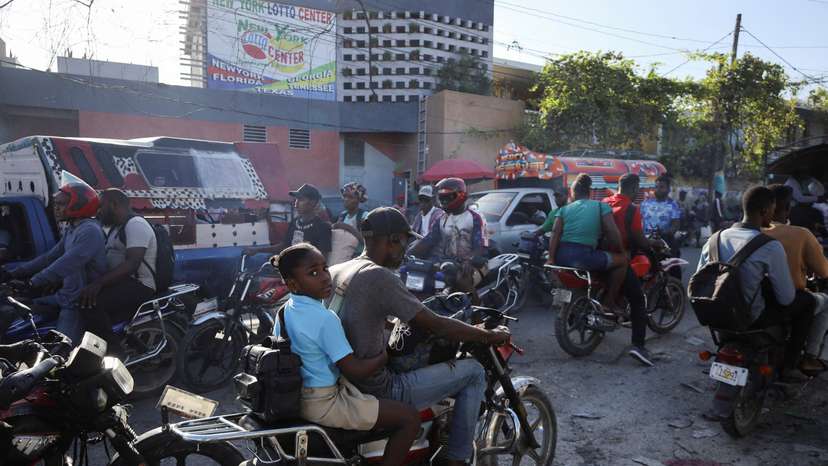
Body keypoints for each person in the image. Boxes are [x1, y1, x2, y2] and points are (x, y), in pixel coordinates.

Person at [329, 207, 510, 466]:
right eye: (405, 242)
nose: (406, 250)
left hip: (345, 379)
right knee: (473, 372)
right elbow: (436, 324)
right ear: (392, 240)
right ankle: (457, 459)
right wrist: (485, 335)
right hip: (379, 388)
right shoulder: (378, 275)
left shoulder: (339, 269)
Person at [272, 243, 419, 466]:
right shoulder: (325, 319)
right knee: (409, 419)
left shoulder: (284, 310)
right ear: (292, 283)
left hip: (297, 396)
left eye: (324, 268)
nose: (324, 277)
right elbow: (356, 370)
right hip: (324, 402)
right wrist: (386, 354)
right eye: (313, 273)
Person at [697, 186, 814, 381]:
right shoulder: (770, 246)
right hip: (750, 318)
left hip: (714, 314)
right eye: (773, 209)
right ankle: (789, 366)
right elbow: (786, 298)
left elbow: (700, 277)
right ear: (764, 211)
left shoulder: (714, 239)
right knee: (807, 302)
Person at [0, 172, 107, 343]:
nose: (55, 208)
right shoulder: (73, 228)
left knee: (60, 350)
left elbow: (66, 263)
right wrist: (14, 273)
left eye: (61, 204)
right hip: (64, 296)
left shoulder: (90, 231)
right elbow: (49, 257)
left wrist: (33, 282)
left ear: (79, 205)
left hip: (76, 302)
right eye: (55, 204)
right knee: (19, 311)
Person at [77, 189, 157, 346]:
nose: (97, 211)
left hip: (140, 285)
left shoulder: (136, 224)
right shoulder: (116, 227)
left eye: (101, 206)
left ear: (114, 205)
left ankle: (113, 353)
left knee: (91, 304)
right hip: (123, 282)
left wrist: (98, 284)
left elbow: (132, 263)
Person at [765, 184, 828, 375]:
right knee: (821, 302)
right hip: (784, 301)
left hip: (752, 300)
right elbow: (824, 271)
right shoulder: (801, 234)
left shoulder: (750, 231)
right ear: (787, 207)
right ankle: (809, 357)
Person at [547, 174, 628, 314]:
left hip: (562, 256)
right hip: (584, 256)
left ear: (572, 193)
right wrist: (621, 251)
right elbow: (612, 232)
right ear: (589, 192)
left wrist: (551, 258)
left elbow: (555, 233)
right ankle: (609, 302)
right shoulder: (600, 206)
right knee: (622, 262)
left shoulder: (564, 210)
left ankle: (565, 304)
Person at [602, 174, 661, 366]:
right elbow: (637, 238)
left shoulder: (604, 202)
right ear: (635, 188)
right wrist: (652, 244)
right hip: (619, 257)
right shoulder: (632, 209)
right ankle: (638, 346)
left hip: (600, 256)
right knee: (638, 299)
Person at [414, 178, 489, 294]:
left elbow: (480, 246)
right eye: (441, 197)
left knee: (461, 281)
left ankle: (479, 309)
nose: (443, 201)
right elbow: (427, 241)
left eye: (447, 197)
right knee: (424, 277)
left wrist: (469, 261)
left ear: (460, 195)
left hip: (473, 264)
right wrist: (407, 255)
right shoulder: (441, 219)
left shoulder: (475, 217)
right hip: (446, 264)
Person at [243, 183, 332, 257]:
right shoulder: (295, 222)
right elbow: (284, 245)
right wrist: (257, 250)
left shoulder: (322, 227)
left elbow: (322, 259)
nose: (296, 203)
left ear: (312, 202)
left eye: (300, 199)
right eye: (296, 199)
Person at [641, 175, 683, 279]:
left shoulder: (673, 205)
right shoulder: (645, 204)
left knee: (673, 264)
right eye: (656, 187)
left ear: (668, 189)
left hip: (665, 240)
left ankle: (675, 288)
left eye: (661, 187)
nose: (658, 190)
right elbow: (639, 221)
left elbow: (676, 224)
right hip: (646, 240)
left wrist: (668, 232)